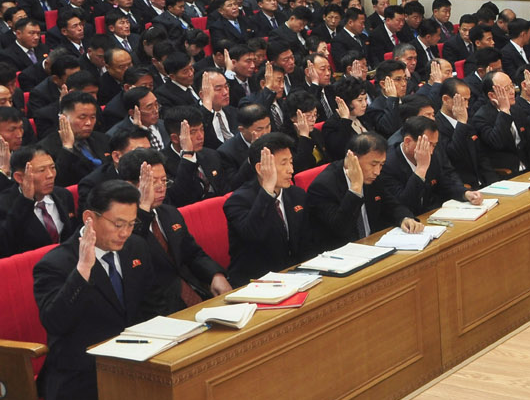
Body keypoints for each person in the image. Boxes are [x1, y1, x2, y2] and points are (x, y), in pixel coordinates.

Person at [34, 179, 164, 400]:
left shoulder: (135, 247)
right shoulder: (55, 264)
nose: (125, 232)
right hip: (83, 378)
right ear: (89, 218)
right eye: (117, 224)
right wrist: (82, 271)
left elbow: (152, 303)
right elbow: (55, 323)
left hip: (136, 363)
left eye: (130, 224)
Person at [117, 148, 232, 313]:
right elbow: (133, 255)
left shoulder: (169, 213)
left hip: (194, 290)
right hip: (156, 308)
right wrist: (143, 209)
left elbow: (193, 253)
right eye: (152, 182)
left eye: (164, 181)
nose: (160, 188)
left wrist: (215, 275)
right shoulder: (120, 226)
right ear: (129, 186)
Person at [223, 132, 317, 286]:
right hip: (256, 282)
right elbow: (253, 234)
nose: (291, 170)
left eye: (291, 162)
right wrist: (267, 190)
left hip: (297, 277)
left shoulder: (297, 195)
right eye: (283, 163)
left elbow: (307, 242)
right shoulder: (237, 201)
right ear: (261, 168)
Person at [306, 131, 421, 250]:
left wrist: (405, 218)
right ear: (353, 158)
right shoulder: (323, 186)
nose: (377, 171)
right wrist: (355, 189)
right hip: (341, 253)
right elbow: (341, 228)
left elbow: (392, 205)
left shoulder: (373, 178)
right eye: (373, 164)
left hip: (372, 244)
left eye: (381, 165)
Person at [0, 145, 78, 255]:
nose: (50, 175)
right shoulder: (4, 205)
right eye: (41, 170)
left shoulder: (63, 195)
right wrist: (26, 200)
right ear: (19, 177)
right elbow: (6, 244)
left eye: (52, 167)